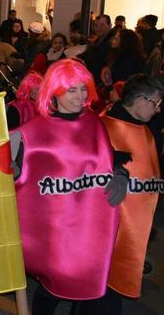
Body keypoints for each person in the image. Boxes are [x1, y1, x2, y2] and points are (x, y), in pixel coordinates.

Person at [10, 59, 127, 314]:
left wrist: (120, 173)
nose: (80, 96)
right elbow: (8, 168)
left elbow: (106, 160)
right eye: (71, 90)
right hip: (55, 230)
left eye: (83, 88)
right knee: (53, 287)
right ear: (55, 91)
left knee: (87, 288)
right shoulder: (33, 131)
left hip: (91, 224)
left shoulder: (94, 123)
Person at [99, 74, 163, 314]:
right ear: (140, 100)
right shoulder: (106, 126)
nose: (157, 110)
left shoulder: (142, 128)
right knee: (104, 287)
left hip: (134, 222)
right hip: (111, 224)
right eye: (156, 103)